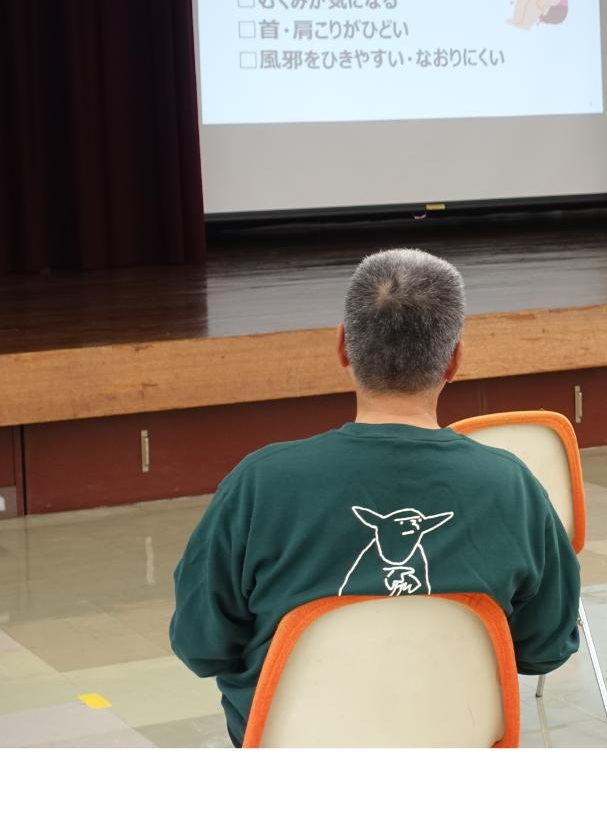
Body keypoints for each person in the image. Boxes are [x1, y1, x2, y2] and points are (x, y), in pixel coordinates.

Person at [169, 248, 581, 747]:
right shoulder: (512, 485)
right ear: (454, 360)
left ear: (343, 346)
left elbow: (201, 646)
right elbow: (544, 648)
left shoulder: (259, 483)